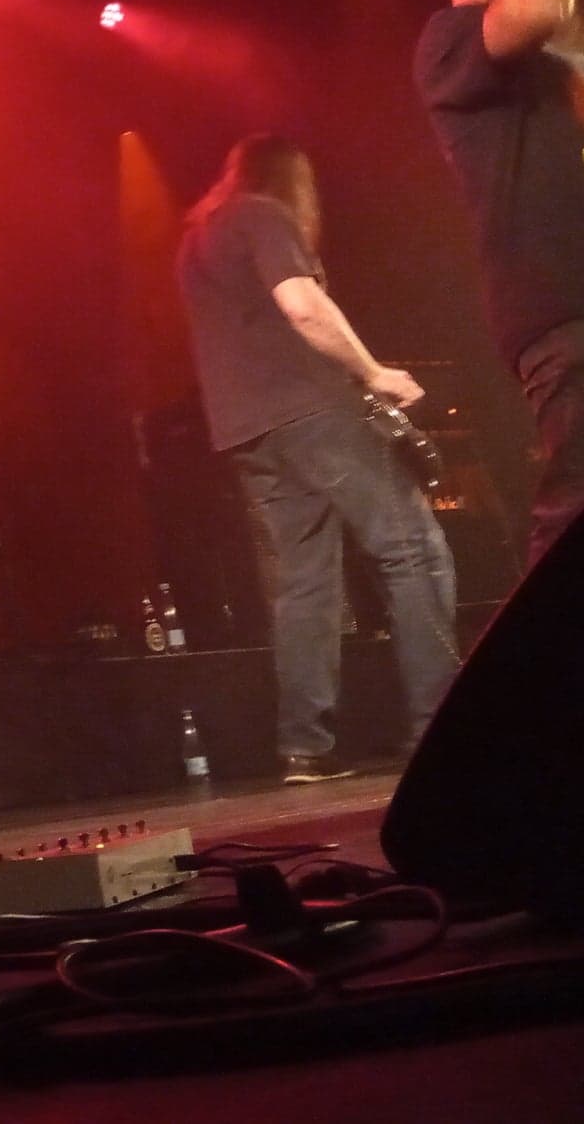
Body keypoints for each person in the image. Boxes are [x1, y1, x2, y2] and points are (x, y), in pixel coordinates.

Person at [176, 136, 458, 785]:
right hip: (314, 413)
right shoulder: (262, 214)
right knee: (414, 551)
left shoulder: (197, 240)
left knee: (305, 583)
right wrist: (374, 372)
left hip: (248, 431)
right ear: (290, 180)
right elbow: (302, 306)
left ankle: (306, 745)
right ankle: (440, 723)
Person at [416, 0, 584, 568]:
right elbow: (537, 13)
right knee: (583, 501)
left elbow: (570, 52)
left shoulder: (549, 59)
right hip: (566, 307)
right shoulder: (451, 37)